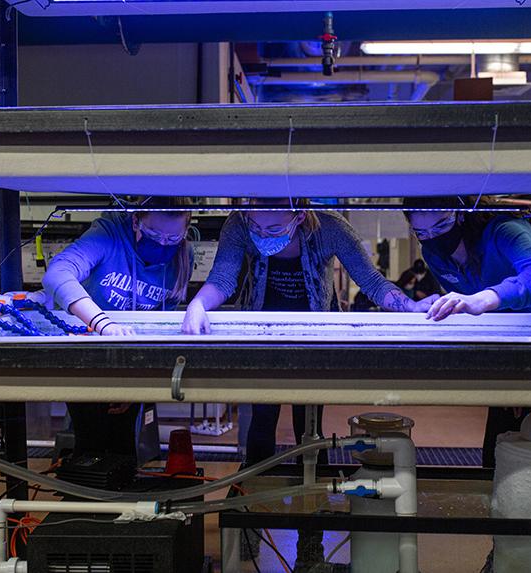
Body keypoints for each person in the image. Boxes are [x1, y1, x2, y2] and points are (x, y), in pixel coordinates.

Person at [183, 198, 430, 569]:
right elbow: (223, 277)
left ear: (299, 216)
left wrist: (410, 307)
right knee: (260, 436)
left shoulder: (329, 228)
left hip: (314, 340)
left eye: (275, 229)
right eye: (258, 228)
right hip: (262, 337)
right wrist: (199, 305)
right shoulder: (239, 224)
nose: (264, 236)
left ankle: (310, 544)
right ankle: (250, 530)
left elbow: (372, 282)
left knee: (312, 441)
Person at [403, 195, 531, 467]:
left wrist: (483, 298)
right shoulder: (433, 252)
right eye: (421, 232)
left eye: (441, 226)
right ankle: (496, 478)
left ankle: (530, 489)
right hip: (511, 325)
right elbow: (468, 295)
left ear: (460, 214)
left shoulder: (504, 229)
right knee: (504, 414)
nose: (432, 237)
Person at [42, 197, 193, 458]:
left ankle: (119, 489)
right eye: (154, 233)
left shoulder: (182, 256)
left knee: (123, 444)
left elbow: (163, 318)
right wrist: (102, 322)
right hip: (86, 353)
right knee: (90, 441)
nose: (162, 243)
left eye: (173, 238)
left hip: (133, 357)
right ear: (136, 221)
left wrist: (139, 381)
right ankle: (87, 490)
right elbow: (57, 274)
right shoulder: (108, 235)